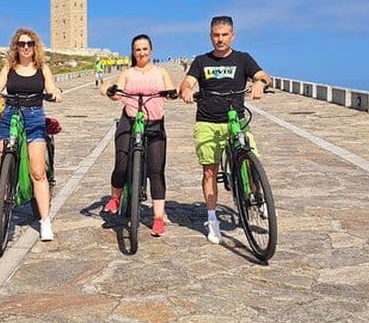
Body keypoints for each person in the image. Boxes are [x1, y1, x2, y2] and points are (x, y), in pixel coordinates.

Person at [179, 15, 271, 244]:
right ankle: (212, 220)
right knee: (209, 171)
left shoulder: (243, 59)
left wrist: (260, 83)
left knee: (252, 161)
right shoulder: (201, 61)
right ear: (210, 36)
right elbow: (188, 82)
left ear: (233, 36)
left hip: (237, 119)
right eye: (216, 35)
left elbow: (264, 76)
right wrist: (187, 89)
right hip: (208, 121)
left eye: (224, 35)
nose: (220, 39)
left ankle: (259, 199)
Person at [0, 28, 63, 242]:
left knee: (38, 172)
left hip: (34, 117)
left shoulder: (42, 68)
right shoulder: (9, 66)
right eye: (21, 44)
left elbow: (52, 87)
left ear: (35, 46)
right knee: (5, 172)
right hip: (10, 116)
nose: (25, 47)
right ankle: (0, 217)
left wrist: (55, 93)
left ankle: (45, 221)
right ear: (15, 47)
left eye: (29, 44)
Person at [100, 34, 176, 237]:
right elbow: (113, 90)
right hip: (130, 120)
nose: (141, 53)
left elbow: (171, 88)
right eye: (137, 49)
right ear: (133, 52)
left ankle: (158, 218)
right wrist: (110, 91)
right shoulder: (127, 73)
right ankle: (115, 198)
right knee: (122, 164)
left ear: (151, 50)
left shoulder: (161, 72)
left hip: (155, 124)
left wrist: (171, 93)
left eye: (144, 49)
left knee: (156, 171)